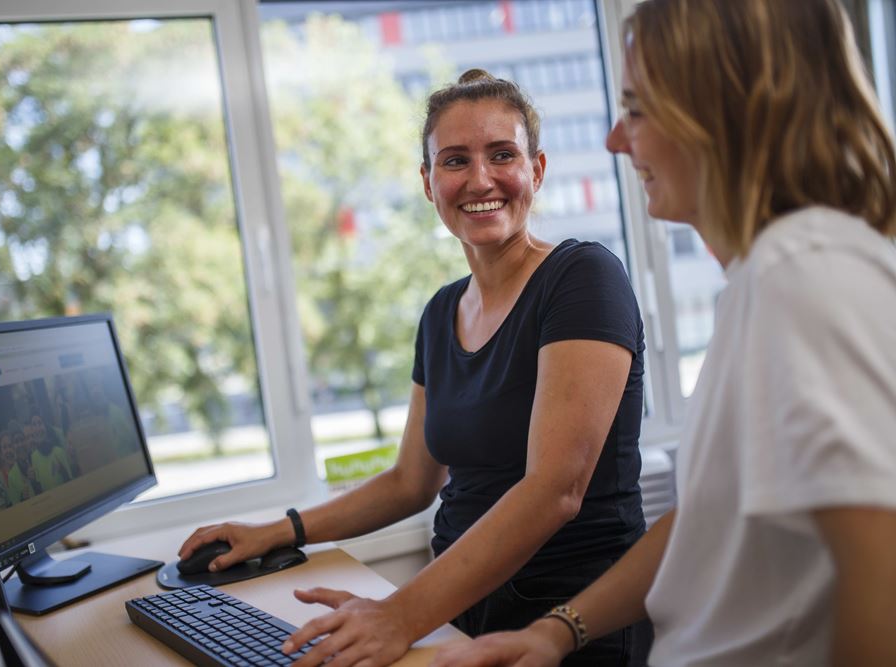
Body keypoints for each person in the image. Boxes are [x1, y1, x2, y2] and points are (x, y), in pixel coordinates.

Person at [432, 1, 896, 665]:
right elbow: (710, 516)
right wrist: (555, 631)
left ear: (724, 112)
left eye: (638, 109)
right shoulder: (760, 282)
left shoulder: (804, 279)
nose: (615, 139)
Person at [180, 70, 652, 666]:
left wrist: (399, 614)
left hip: (569, 621)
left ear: (536, 169)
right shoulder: (440, 313)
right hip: (457, 608)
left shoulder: (583, 278)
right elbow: (410, 481)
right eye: (455, 161)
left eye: (502, 155)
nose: (480, 179)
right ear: (429, 184)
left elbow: (554, 491)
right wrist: (277, 530)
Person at [29, 413, 72, 491]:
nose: (38, 428)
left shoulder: (59, 451)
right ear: (32, 431)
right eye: (34, 424)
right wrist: (33, 481)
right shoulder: (33, 457)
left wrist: (62, 471)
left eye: (40, 423)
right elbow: (40, 486)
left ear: (45, 427)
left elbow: (71, 482)